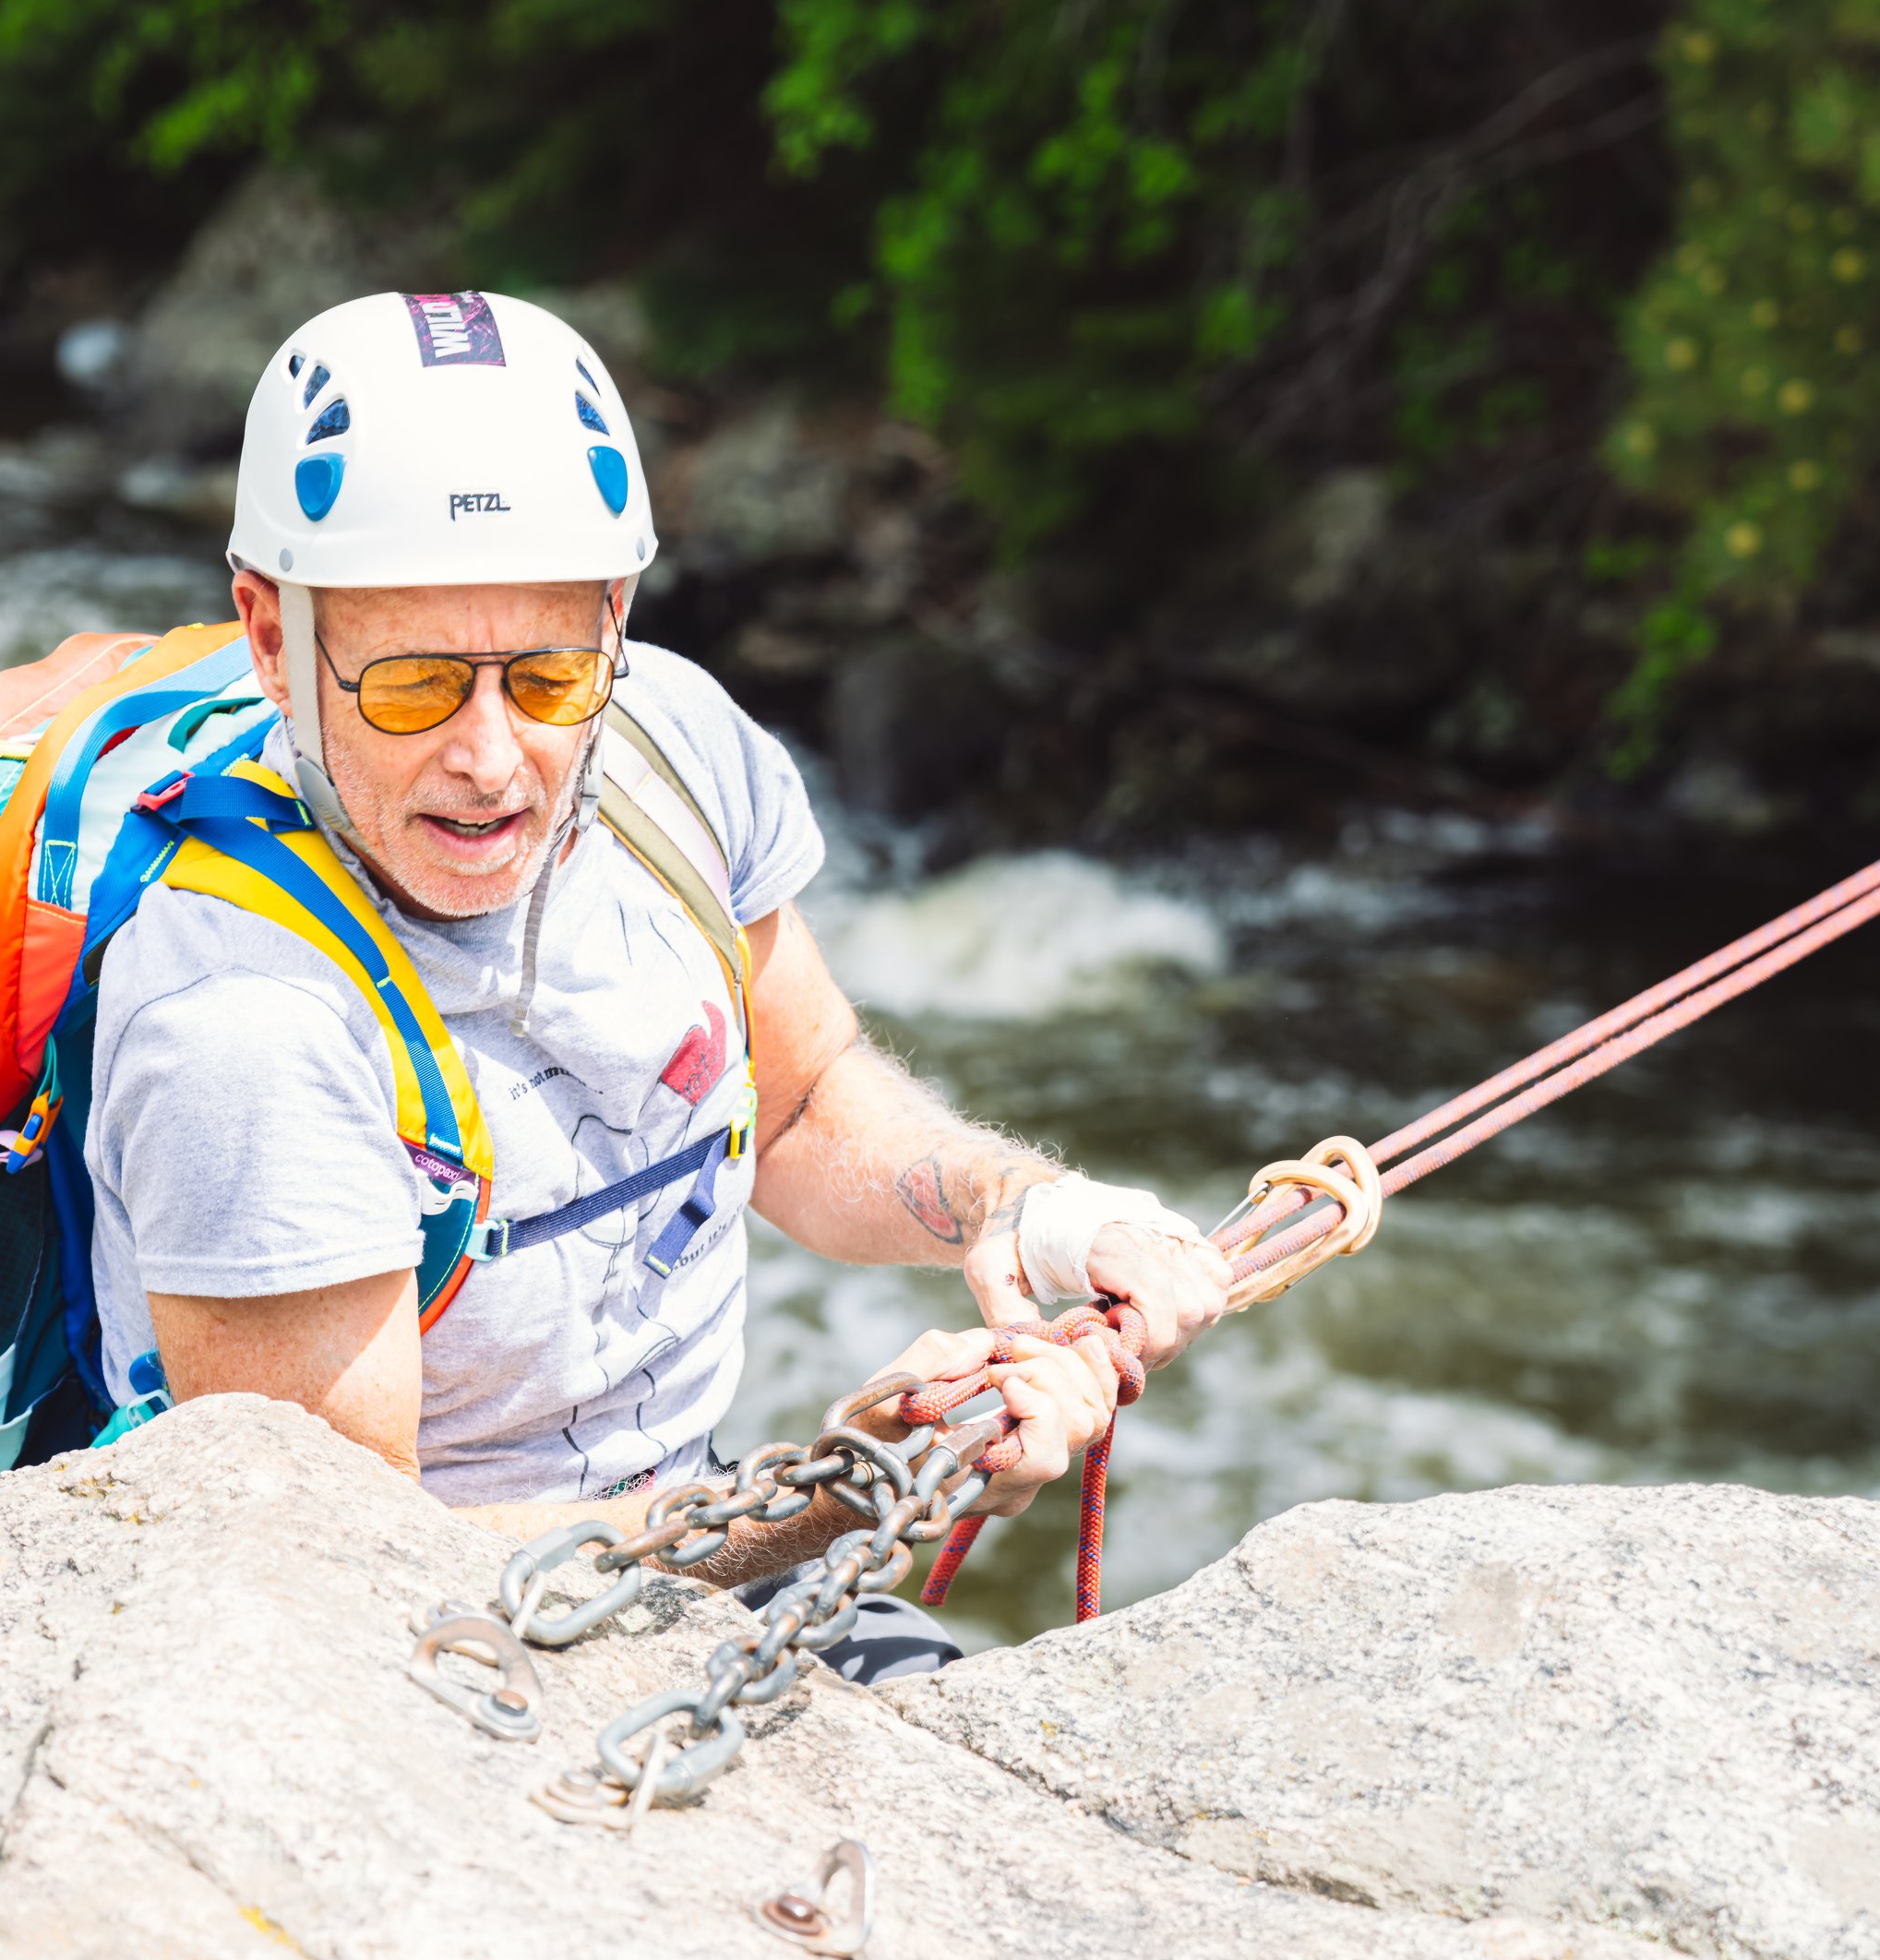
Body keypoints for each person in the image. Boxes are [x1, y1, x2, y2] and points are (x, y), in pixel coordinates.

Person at [85, 290, 1227, 1670]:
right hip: (425, 1657)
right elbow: (337, 1577)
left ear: (617, 614)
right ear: (270, 633)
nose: (494, 758)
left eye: (555, 674)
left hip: (710, 1539)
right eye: (413, 687)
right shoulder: (244, 1031)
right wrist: (830, 1495)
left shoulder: (672, 750)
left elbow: (799, 1105)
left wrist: (1028, 1209)